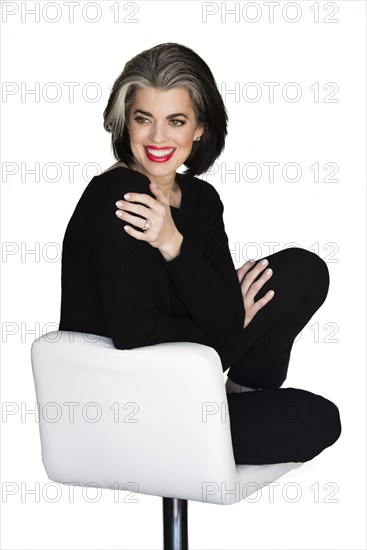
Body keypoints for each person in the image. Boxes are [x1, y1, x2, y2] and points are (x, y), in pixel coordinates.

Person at [59, 42, 341, 465]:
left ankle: (237, 394)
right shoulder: (118, 196)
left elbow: (227, 316)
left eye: (176, 121)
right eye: (143, 119)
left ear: (199, 128)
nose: (158, 138)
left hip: (187, 371)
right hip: (129, 406)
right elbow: (137, 336)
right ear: (126, 125)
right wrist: (223, 321)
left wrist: (173, 243)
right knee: (317, 418)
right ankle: (219, 409)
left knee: (303, 272)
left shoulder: (201, 200)